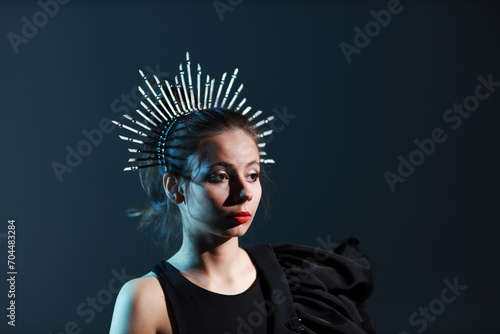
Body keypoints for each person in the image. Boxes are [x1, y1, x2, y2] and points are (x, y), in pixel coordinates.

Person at [109, 53, 375, 334]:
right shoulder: (146, 300)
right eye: (219, 176)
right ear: (175, 188)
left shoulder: (291, 277)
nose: (245, 192)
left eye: (252, 175)